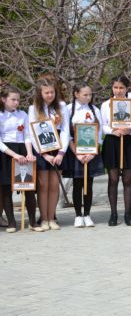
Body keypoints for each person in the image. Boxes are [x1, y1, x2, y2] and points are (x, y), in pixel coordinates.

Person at [101, 75, 131, 226]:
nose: (118, 91)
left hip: (129, 142)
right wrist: (113, 130)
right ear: (112, 88)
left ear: (127, 89)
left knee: (128, 179)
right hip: (113, 142)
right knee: (113, 179)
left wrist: (129, 131)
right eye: (115, 87)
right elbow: (103, 125)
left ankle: (127, 214)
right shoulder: (106, 105)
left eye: (121, 88)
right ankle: (113, 214)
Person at [29, 78, 69, 230]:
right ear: (40, 93)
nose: (50, 95)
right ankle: (44, 218)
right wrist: (44, 154)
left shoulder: (62, 106)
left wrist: (61, 152)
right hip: (42, 150)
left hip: (58, 149)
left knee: (54, 185)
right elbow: (32, 134)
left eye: (52, 92)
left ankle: (52, 218)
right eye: (46, 92)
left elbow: (65, 130)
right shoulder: (33, 109)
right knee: (43, 185)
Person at [63, 82, 103, 228]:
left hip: (91, 152)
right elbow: (66, 134)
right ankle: (78, 215)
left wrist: (93, 153)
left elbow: (99, 134)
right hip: (75, 151)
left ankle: (87, 214)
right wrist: (77, 154)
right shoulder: (67, 109)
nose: (88, 97)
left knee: (89, 183)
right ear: (76, 94)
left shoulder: (95, 110)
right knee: (77, 183)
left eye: (90, 94)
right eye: (85, 94)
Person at [0, 85, 38, 232]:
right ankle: (11, 223)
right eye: (13, 99)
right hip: (6, 153)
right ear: (3, 99)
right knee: (6, 188)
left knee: (28, 187)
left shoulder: (22, 115)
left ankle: (33, 222)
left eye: (18, 100)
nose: (16, 103)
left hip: (23, 150)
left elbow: (27, 135)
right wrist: (14, 155)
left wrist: (29, 153)